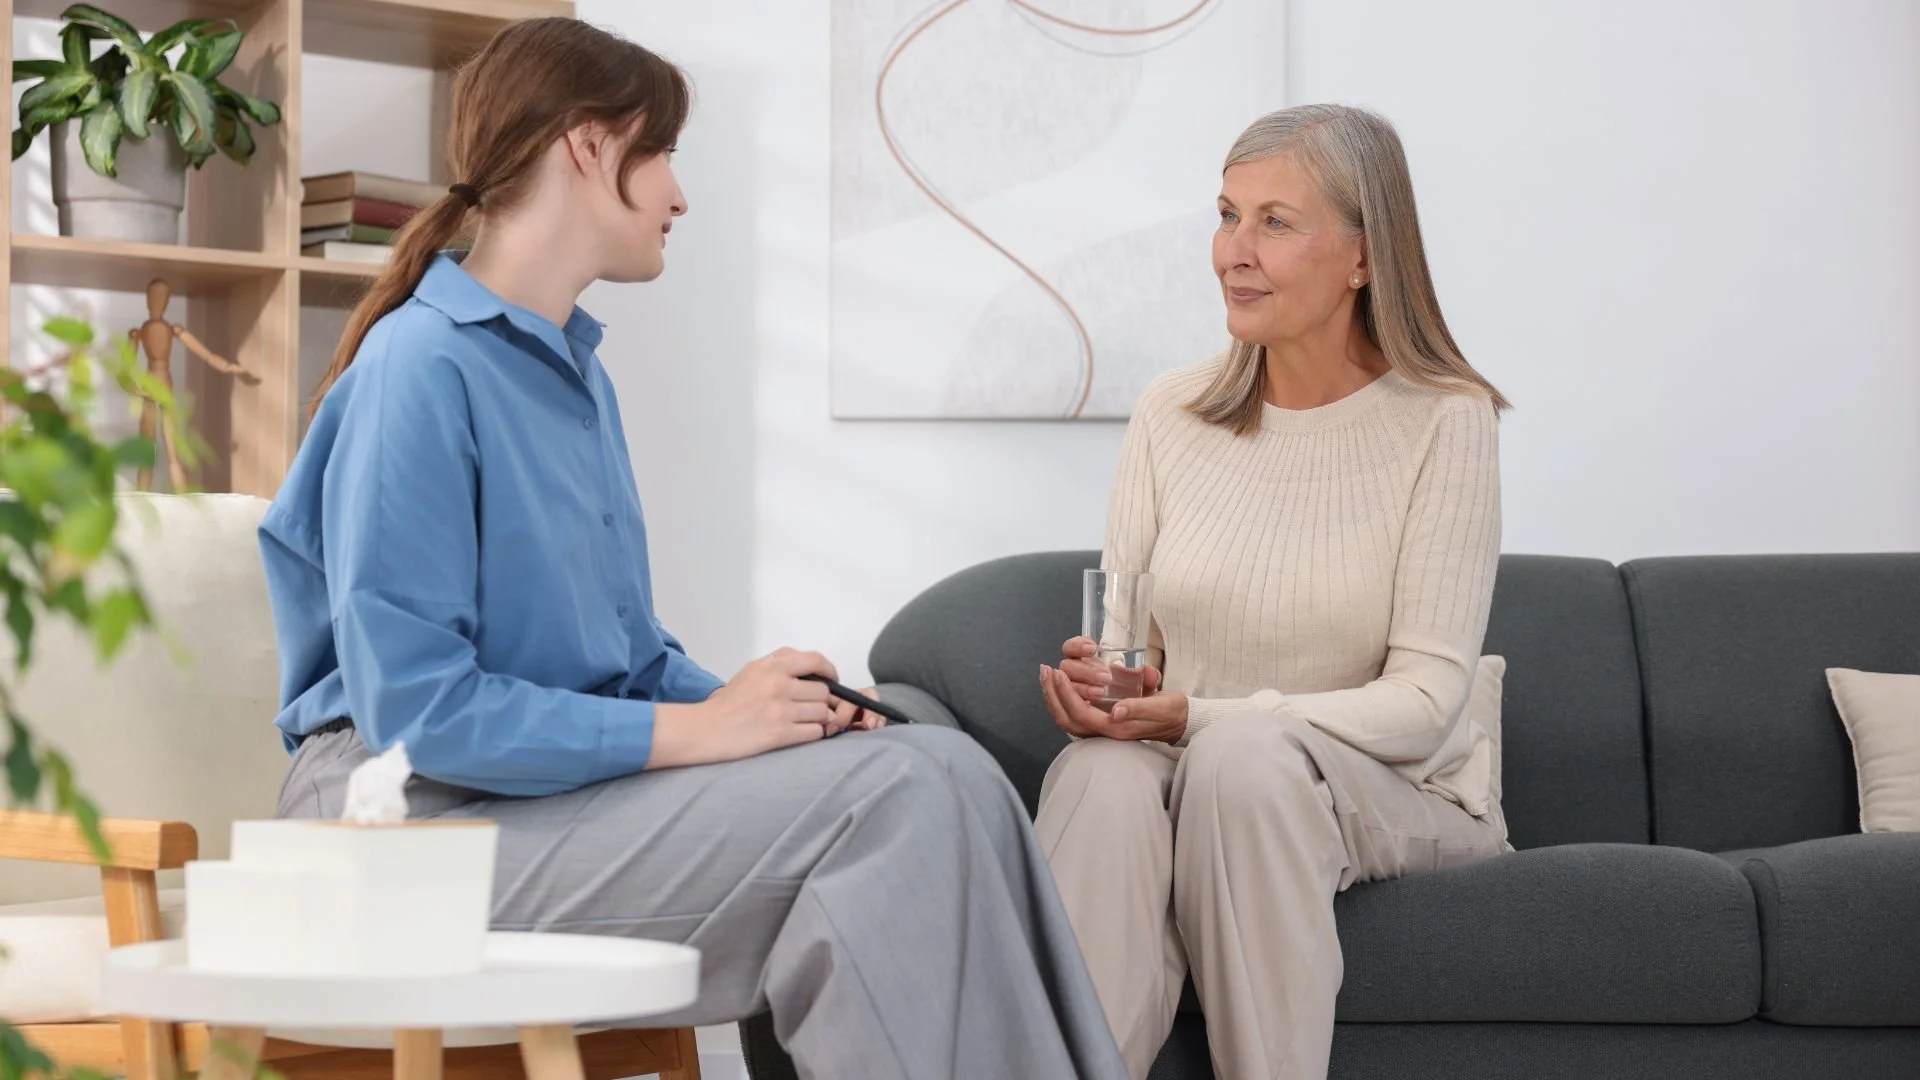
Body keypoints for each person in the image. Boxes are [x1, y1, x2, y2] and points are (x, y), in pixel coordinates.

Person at [259, 19, 1127, 1080]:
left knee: (940, 766)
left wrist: (773, 715)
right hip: (396, 839)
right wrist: (710, 731)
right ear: (586, 146)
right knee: (893, 807)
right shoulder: (417, 371)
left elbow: (627, 659)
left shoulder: (574, 380)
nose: (677, 193)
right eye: (660, 151)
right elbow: (421, 713)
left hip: (524, 812)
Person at [1033, 104, 1513, 1080]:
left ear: (1365, 257)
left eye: (1274, 222)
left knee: (1242, 758)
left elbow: (1424, 709)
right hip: (1202, 762)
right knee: (1098, 777)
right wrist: (1105, 690)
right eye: (1226, 214)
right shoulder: (1172, 410)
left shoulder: (1446, 420)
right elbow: (1135, 652)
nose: (1232, 253)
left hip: (1398, 787)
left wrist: (1194, 716)